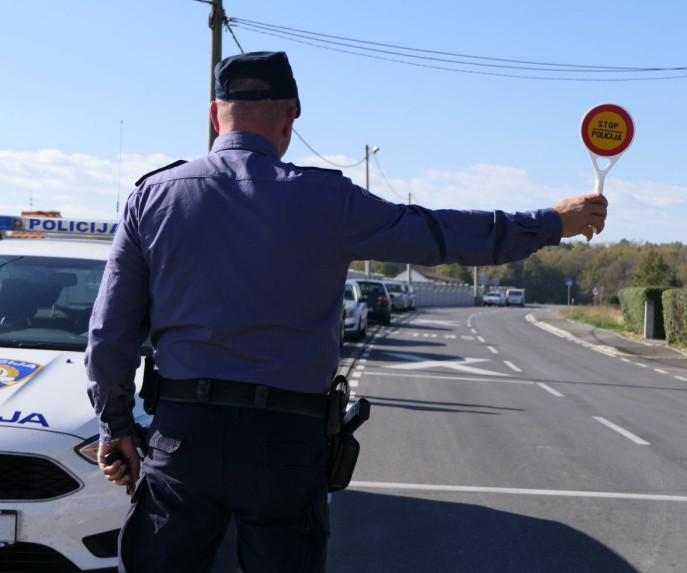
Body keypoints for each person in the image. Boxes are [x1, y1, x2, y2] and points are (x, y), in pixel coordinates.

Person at [86, 50, 608, 572]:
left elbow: (110, 333)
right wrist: (550, 222)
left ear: (213, 114)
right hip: (285, 443)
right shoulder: (326, 200)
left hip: (181, 437)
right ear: (290, 117)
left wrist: (115, 430)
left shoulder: (151, 198)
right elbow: (439, 234)